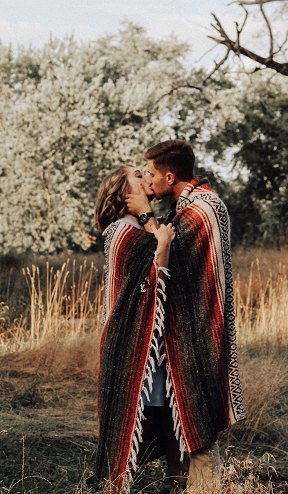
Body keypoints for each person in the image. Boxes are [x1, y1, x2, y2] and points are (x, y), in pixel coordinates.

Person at [125, 140, 247, 493]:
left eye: (150, 174)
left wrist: (145, 213)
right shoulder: (189, 204)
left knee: (196, 418)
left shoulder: (202, 209)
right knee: (182, 416)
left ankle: (204, 489)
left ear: (169, 175)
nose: (147, 181)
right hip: (187, 329)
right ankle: (178, 487)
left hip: (199, 331)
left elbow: (167, 255)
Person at [94, 165, 179, 491]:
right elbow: (151, 280)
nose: (146, 177)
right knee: (133, 421)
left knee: (160, 422)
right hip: (131, 345)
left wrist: (148, 217)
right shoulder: (121, 231)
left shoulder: (140, 227)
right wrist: (163, 244)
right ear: (122, 193)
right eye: (137, 176)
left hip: (151, 347)